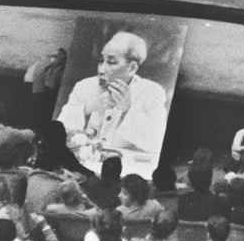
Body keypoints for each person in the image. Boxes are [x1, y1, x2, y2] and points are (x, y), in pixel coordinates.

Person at [57, 31, 167, 172]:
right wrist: (87, 109)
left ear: (132, 68)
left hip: (125, 169)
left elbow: (156, 142)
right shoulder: (84, 86)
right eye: (101, 61)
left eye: (111, 62)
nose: (101, 69)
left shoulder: (152, 92)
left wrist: (127, 111)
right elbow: (59, 129)